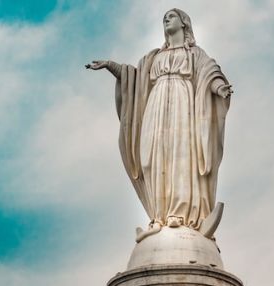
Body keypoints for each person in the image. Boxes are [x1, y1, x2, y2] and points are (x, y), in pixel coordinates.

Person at [86, 8, 233, 236]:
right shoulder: (154, 57)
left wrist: (219, 88)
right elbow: (136, 81)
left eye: (171, 16)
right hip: (155, 104)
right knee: (153, 157)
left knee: (180, 155)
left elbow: (209, 74)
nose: (166, 19)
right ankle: (159, 215)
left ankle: (180, 214)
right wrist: (112, 66)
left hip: (182, 102)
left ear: (184, 23)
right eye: (164, 17)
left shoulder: (195, 54)